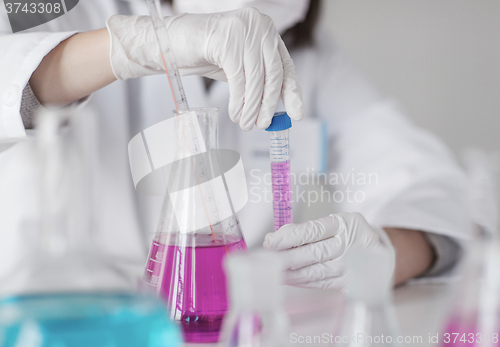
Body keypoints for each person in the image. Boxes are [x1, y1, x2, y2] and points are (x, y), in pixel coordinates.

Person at [0, 0, 472, 289]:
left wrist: (387, 252)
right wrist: (131, 47)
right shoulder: (77, 7)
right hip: (68, 316)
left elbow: (426, 186)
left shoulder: (311, 56)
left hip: (230, 322)